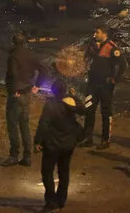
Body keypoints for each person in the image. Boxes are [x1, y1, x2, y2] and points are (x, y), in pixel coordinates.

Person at [34, 79, 85, 211]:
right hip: (68, 144)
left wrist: (38, 141)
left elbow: (43, 125)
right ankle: (61, 200)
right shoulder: (71, 102)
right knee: (64, 171)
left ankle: (51, 202)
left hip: (52, 145)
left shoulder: (50, 105)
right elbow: (83, 109)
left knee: (47, 172)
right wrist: (73, 96)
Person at [1, 32, 51, 167]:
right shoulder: (31, 54)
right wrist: (37, 85)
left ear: (13, 43)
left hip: (16, 94)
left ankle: (13, 155)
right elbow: (45, 69)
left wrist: (14, 91)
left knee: (12, 125)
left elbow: (13, 75)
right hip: (27, 93)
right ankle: (27, 156)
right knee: (24, 125)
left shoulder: (13, 57)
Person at [79, 25, 126, 149]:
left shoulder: (111, 48)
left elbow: (122, 65)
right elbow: (86, 58)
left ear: (104, 34)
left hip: (105, 86)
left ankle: (106, 139)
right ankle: (87, 137)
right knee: (89, 109)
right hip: (92, 84)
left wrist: (114, 78)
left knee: (106, 112)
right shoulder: (92, 45)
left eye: (97, 32)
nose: (95, 35)